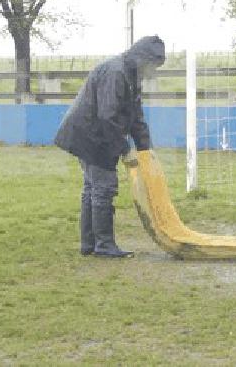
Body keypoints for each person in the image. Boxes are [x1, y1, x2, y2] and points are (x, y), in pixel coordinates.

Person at [54, 35, 167, 258]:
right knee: (103, 188)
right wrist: (125, 150)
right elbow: (108, 116)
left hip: (94, 133)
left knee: (92, 189)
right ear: (143, 59)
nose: (154, 71)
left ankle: (90, 244)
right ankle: (104, 245)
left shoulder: (131, 74)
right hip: (91, 135)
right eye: (154, 65)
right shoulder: (116, 73)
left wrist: (146, 150)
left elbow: (135, 116)